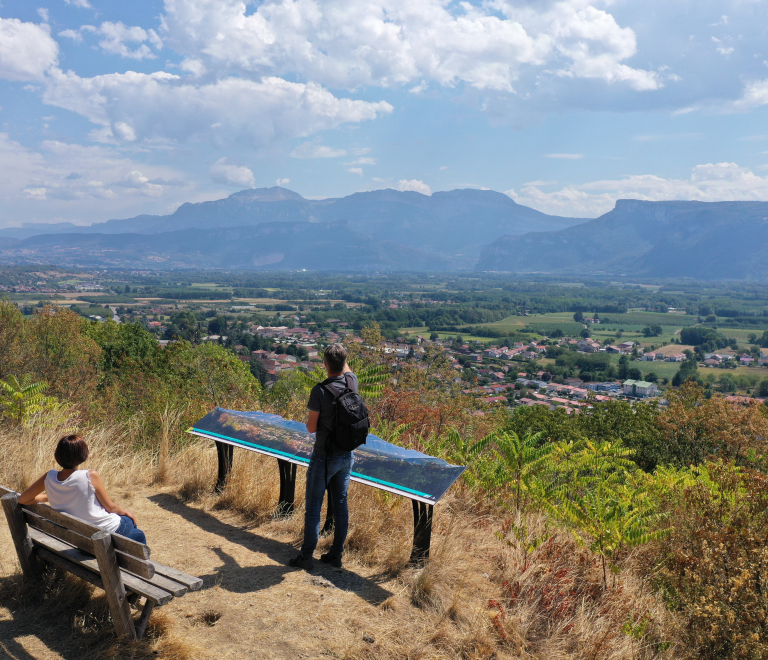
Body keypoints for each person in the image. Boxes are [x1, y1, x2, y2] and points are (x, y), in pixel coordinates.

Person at [289, 343, 357, 570]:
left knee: (314, 507)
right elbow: (345, 367)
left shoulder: (319, 391)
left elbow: (310, 428)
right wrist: (340, 357)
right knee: (341, 505)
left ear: (325, 364)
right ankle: (336, 554)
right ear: (345, 362)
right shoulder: (352, 381)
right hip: (346, 455)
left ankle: (307, 556)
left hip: (323, 457)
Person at [19, 434, 147, 544]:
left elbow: (23, 499)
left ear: (57, 456)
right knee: (136, 531)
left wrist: (52, 496)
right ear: (83, 455)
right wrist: (127, 513)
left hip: (78, 538)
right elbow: (111, 508)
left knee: (135, 533)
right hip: (100, 534)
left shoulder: (49, 477)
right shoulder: (89, 475)